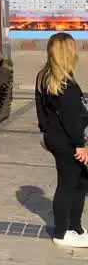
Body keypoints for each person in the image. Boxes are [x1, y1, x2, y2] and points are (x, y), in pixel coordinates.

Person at [35, 32, 88, 247]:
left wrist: (47, 134)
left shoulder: (45, 77)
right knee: (68, 184)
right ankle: (62, 233)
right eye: (73, 47)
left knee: (81, 182)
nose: (77, 50)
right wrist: (80, 145)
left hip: (57, 139)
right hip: (68, 141)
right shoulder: (65, 86)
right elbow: (72, 120)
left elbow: (42, 111)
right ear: (67, 52)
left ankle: (75, 227)